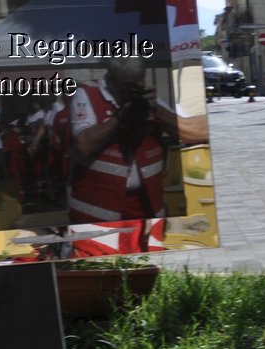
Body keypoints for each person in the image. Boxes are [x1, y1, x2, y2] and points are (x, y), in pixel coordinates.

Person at [67, 56, 204, 227]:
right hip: (98, 209)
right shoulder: (87, 94)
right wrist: (119, 118)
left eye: (138, 83)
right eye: (127, 85)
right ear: (111, 79)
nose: (132, 90)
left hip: (147, 203)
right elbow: (83, 144)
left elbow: (185, 133)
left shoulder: (146, 98)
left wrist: (156, 109)